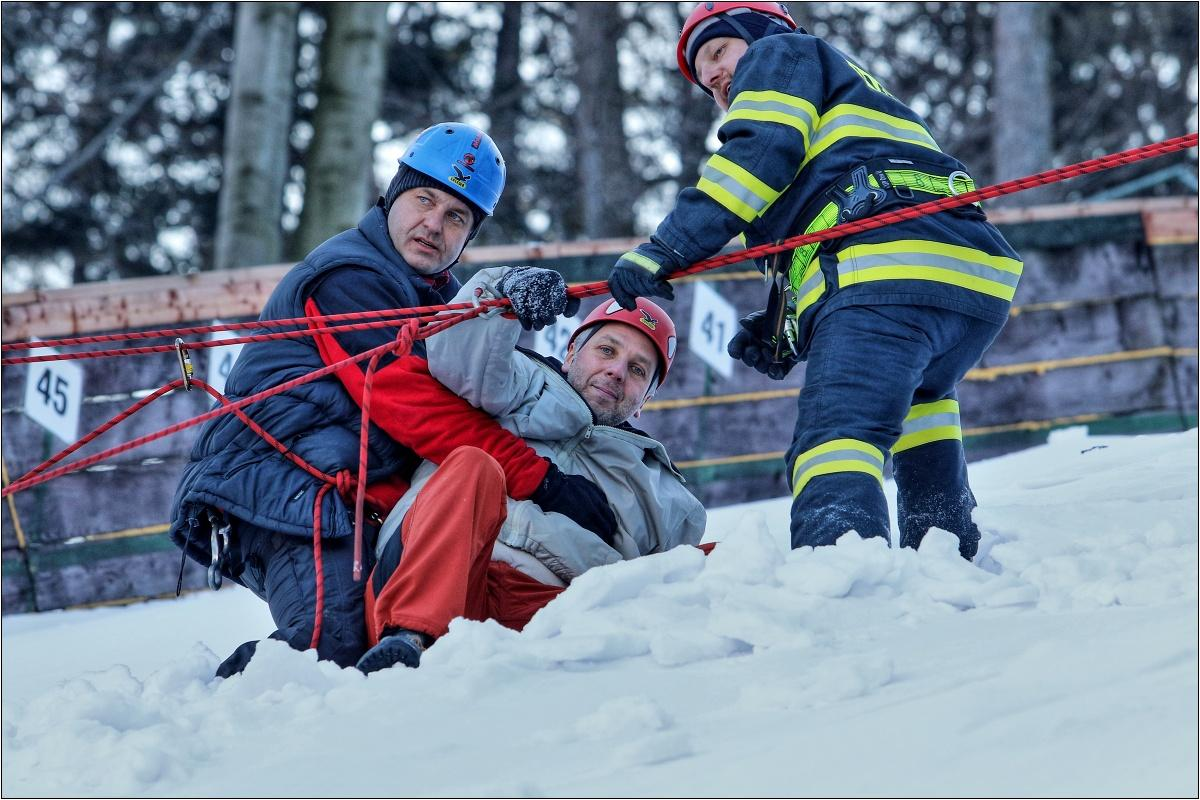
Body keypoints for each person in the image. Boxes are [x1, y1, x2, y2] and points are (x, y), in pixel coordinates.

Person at [170, 123, 619, 677]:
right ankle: (213, 707)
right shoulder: (349, 277)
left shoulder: (435, 298)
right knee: (331, 648)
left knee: (378, 630)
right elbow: (410, 402)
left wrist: (506, 307)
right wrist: (539, 478)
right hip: (278, 485)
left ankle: (263, 684)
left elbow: (488, 384)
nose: (434, 224)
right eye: (424, 199)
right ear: (392, 196)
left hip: (353, 499)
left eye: (457, 217)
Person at [607, 2, 1022, 560]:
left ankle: (842, 581)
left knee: (835, 436)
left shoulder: (783, 53)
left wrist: (665, 249)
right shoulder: (845, 102)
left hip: (886, 271)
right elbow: (823, 223)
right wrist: (786, 328)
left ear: (760, 35)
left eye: (717, 52)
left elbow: (760, 156)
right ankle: (947, 558)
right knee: (922, 412)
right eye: (706, 83)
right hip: (967, 280)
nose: (713, 80)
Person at [355, 272, 707, 673]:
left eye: (638, 370)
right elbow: (459, 357)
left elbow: (674, 583)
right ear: (572, 351)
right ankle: (410, 641)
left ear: (646, 400)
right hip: (438, 573)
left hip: (549, 613)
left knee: (715, 562)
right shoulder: (518, 379)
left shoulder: (661, 489)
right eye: (607, 351)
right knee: (474, 466)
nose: (617, 372)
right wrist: (502, 291)